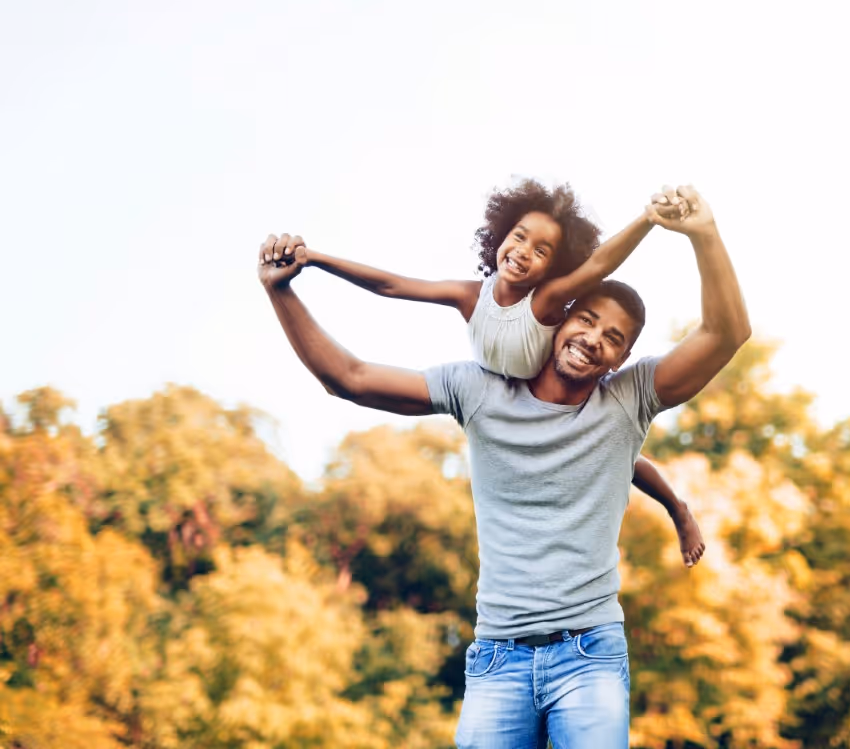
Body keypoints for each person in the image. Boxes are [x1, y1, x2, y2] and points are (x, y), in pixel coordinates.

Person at [258, 184, 750, 748]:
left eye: (613, 339)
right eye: (587, 320)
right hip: (497, 658)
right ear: (562, 314)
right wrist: (282, 293)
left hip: (589, 653)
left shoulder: (628, 399)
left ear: (625, 358)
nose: (593, 340)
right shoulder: (477, 388)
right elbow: (350, 378)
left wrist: (705, 235)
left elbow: (725, 334)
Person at [279, 179, 705, 566]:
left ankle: (676, 506)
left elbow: (597, 267)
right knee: (619, 454)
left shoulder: (548, 300)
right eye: (519, 238)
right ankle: (674, 504)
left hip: (558, 387)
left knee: (622, 453)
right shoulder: (469, 295)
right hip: (509, 392)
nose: (523, 253)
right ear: (500, 236)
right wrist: (315, 260)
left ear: (555, 268)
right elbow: (391, 285)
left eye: (542, 251)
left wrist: (647, 220)